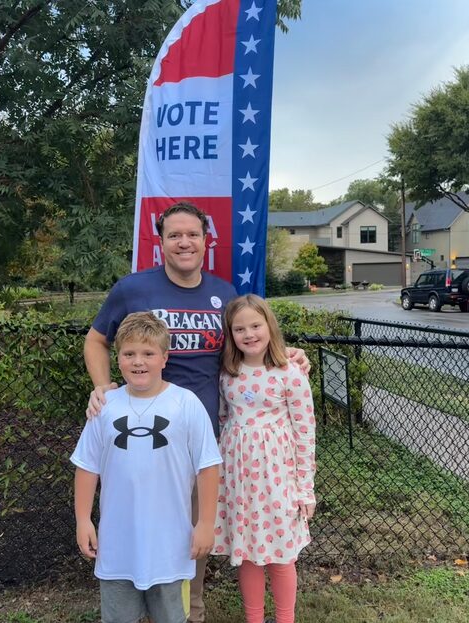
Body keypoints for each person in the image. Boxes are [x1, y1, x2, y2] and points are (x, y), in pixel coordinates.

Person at [84, 201, 309, 623]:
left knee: (191, 535)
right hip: (137, 440)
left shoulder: (223, 294)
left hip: (200, 441)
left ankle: (190, 613)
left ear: (206, 241)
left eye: (192, 235)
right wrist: (101, 385)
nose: (184, 242)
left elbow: (248, 342)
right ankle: (135, 607)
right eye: (174, 235)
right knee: (136, 524)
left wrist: (286, 353)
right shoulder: (132, 289)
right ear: (161, 242)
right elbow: (96, 340)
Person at [72, 312, 221, 623]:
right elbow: (87, 466)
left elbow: (207, 467)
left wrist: (206, 522)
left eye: (148, 353)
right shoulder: (105, 406)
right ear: (118, 358)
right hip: (117, 546)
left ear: (164, 358)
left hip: (170, 546)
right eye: (129, 354)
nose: (138, 361)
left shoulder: (186, 403)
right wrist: (83, 519)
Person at [212, 294, 316, 623]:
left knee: (281, 555)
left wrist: (305, 488)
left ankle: (286, 618)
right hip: (240, 481)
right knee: (248, 556)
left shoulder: (290, 373)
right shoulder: (228, 374)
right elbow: (224, 420)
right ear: (231, 334)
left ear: (269, 326)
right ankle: (253, 618)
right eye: (239, 328)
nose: (249, 334)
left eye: (256, 325)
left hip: (278, 480)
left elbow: (305, 432)